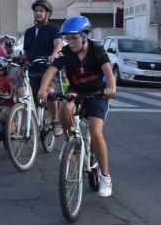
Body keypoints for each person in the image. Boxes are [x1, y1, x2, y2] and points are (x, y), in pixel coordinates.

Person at [37, 16, 116, 198]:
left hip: (98, 94)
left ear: (85, 35)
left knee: (96, 132)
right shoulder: (66, 53)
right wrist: (42, 89)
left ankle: (105, 177)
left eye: (74, 38)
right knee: (65, 109)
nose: (70, 42)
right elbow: (51, 70)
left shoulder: (98, 50)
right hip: (76, 92)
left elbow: (108, 72)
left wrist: (111, 88)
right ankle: (68, 141)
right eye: (67, 38)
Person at [24, 0, 64, 137]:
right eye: (36, 11)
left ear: (48, 13)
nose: (38, 13)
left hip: (47, 70)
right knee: (22, 94)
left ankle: (55, 120)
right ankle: (24, 125)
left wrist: (55, 53)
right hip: (32, 70)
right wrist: (22, 63)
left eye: (41, 11)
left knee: (49, 91)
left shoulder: (53, 29)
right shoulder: (28, 32)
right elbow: (26, 51)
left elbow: (58, 43)